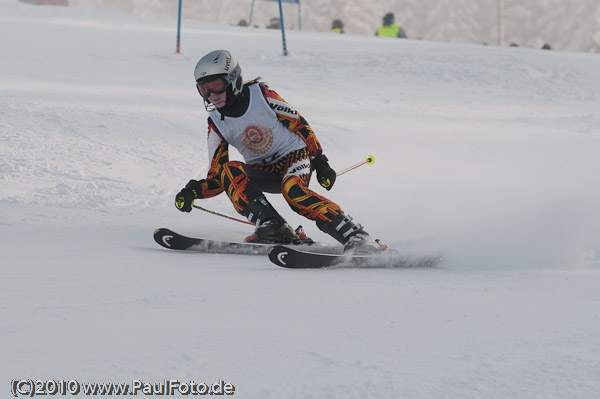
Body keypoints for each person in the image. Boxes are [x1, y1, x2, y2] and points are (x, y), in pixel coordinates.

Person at [174, 50, 386, 253]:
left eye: (217, 86)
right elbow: (218, 176)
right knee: (229, 170)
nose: (212, 95)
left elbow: (300, 125)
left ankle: (357, 236)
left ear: (233, 79)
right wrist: (194, 191)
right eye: (204, 89)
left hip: (294, 158)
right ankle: (274, 227)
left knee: (294, 192)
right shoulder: (217, 123)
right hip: (262, 170)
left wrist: (320, 163)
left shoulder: (261, 95)